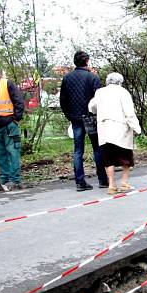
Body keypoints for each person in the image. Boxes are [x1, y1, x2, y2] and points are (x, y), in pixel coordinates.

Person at [60, 51, 108, 192]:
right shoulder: (93, 78)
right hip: (91, 117)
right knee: (97, 148)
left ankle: (80, 182)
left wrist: (68, 115)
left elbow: (63, 100)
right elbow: (99, 99)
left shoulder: (67, 78)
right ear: (87, 61)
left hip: (75, 118)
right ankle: (102, 180)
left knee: (78, 150)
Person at [88, 73, 141, 195]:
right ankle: (124, 182)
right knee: (126, 157)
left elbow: (91, 107)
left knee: (108, 158)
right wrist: (137, 128)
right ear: (120, 81)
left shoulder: (100, 92)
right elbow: (129, 113)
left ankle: (111, 185)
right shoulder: (123, 92)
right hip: (120, 129)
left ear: (107, 81)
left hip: (104, 129)